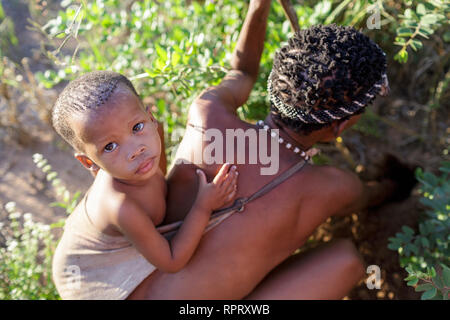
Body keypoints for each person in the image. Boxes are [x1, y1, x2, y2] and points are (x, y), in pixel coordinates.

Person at [125, 0, 415, 299]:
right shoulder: (332, 187)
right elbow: (370, 196)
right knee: (347, 261)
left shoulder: (207, 115)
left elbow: (241, 72)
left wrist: (258, 6)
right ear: (339, 127)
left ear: (275, 83)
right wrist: (397, 186)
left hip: (119, 287)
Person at [51, 70, 239, 299]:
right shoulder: (121, 207)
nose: (135, 150)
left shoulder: (148, 141)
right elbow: (171, 261)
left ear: (150, 118)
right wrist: (203, 206)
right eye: (110, 146)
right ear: (89, 162)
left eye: (137, 128)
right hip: (89, 273)